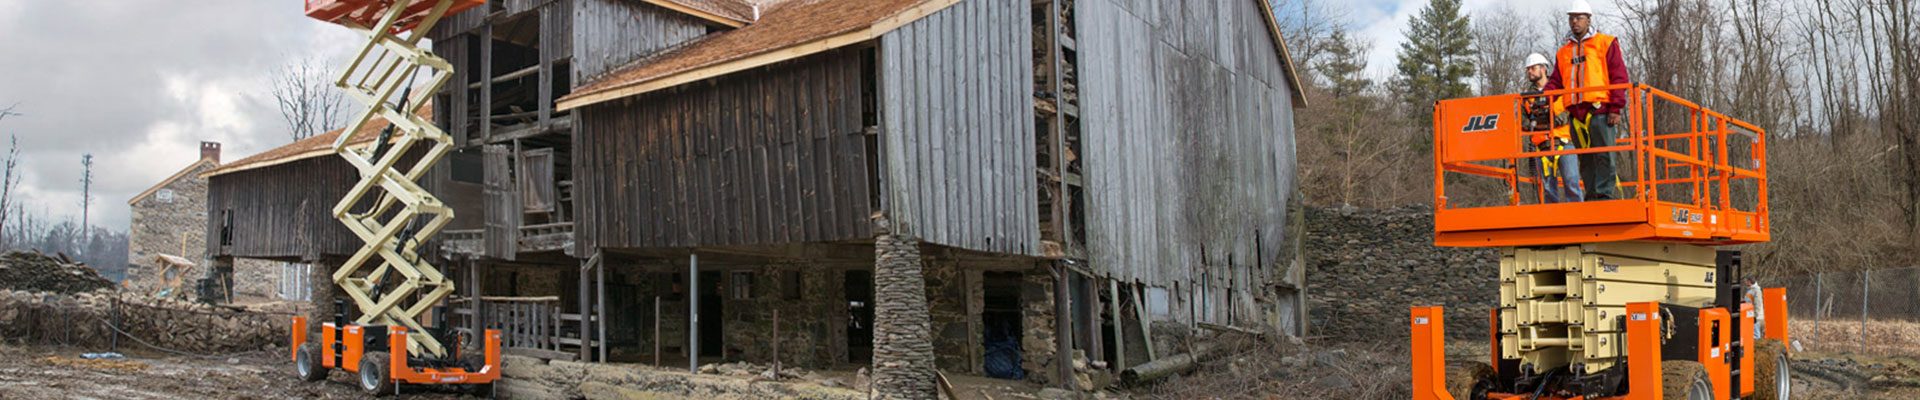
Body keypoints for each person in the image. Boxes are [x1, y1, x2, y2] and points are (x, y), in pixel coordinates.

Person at [1543, 0, 1628, 200]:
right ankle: (1592, 196)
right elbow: (1556, 80)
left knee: (1604, 155)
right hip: (1575, 114)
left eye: (1579, 18)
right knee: (1586, 159)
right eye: (1572, 18)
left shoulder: (1605, 43)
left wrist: (1616, 107)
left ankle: (1604, 195)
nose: (1575, 22)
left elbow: (1619, 76)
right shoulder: (1564, 52)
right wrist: (1544, 96)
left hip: (1600, 110)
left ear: (1588, 20)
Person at [1519, 53, 1582, 203]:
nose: (1530, 72)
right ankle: (1553, 220)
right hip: (1542, 146)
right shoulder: (1527, 97)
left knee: (1572, 182)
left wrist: (1554, 119)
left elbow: (1570, 110)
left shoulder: (1560, 90)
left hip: (1564, 142)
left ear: (1543, 69)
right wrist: (1536, 125)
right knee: (1548, 188)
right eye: (1528, 69)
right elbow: (1522, 121)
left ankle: (1579, 217)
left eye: (1533, 68)